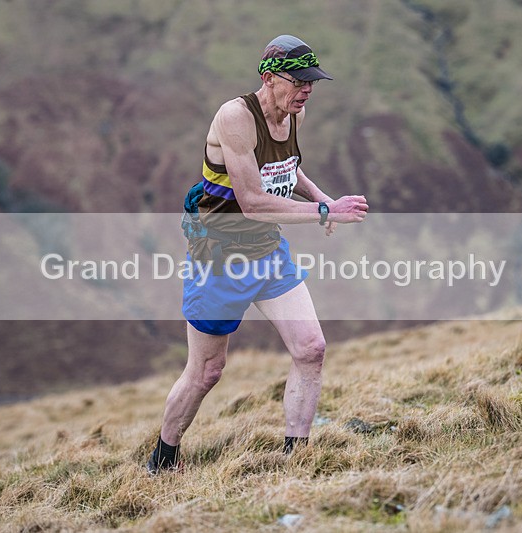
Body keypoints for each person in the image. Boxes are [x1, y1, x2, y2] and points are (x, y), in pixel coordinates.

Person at [147, 34, 368, 473]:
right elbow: (251, 199)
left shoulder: (294, 115)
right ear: (269, 78)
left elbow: (287, 167)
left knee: (311, 349)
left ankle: (296, 460)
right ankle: (163, 457)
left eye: (313, 82)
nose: (306, 90)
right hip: (218, 257)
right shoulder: (235, 117)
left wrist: (322, 197)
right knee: (207, 371)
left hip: (267, 251)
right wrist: (324, 209)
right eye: (299, 81)